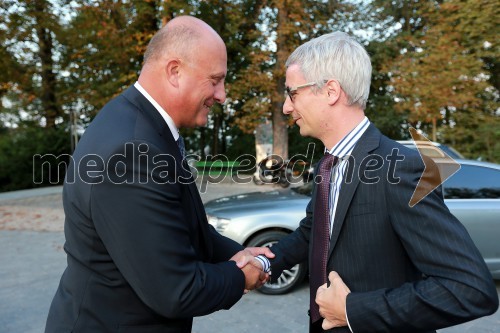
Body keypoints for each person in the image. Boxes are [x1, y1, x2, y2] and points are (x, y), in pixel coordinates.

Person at [256, 32, 499, 332]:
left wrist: (353, 310)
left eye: (293, 93)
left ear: (331, 91)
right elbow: (315, 231)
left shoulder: (402, 169)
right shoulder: (327, 164)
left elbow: (471, 289)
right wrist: (265, 263)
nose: (286, 107)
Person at [45, 16, 272, 333]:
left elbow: (185, 230)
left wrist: (239, 253)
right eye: (215, 80)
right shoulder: (133, 152)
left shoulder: (138, 122)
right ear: (175, 72)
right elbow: (176, 290)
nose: (221, 95)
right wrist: (241, 275)